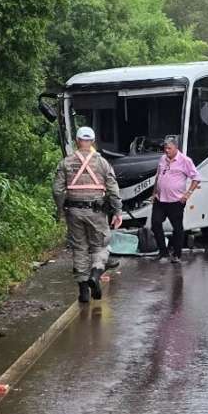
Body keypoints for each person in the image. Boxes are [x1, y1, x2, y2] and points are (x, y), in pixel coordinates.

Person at [53, 126, 122, 303]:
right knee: (100, 246)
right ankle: (95, 274)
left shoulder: (65, 163)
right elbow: (113, 190)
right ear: (92, 142)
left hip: (73, 212)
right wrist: (117, 211)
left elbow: (57, 190)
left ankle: (83, 292)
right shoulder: (102, 163)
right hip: (96, 212)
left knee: (79, 248)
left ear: (77, 141)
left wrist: (60, 209)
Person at [151, 135, 199, 263]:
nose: (166, 151)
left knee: (177, 228)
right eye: (165, 148)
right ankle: (163, 252)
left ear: (176, 148)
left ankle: (177, 254)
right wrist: (154, 193)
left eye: (169, 148)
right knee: (155, 223)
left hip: (176, 201)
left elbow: (196, 178)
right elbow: (158, 176)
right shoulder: (162, 159)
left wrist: (187, 194)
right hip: (160, 199)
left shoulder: (185, 160)